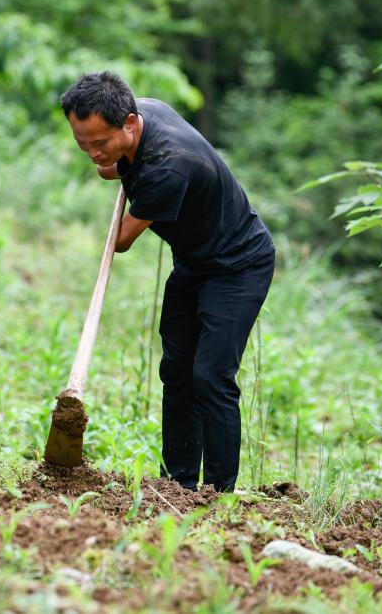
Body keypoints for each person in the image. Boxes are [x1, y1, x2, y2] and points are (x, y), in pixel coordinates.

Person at [60, 71, 275, 492]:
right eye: (82, 143)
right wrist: (112, 158)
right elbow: (118, 168)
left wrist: (116, 167)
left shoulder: (167, 168)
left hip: (237, 265)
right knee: (176, 371)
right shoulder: (142, 108)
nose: (91, 152)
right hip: (194, 261)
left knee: (210, 376)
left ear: (129, 123)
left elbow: (121, 240)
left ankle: (219, 492)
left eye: (99, 143)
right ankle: (178, 484)